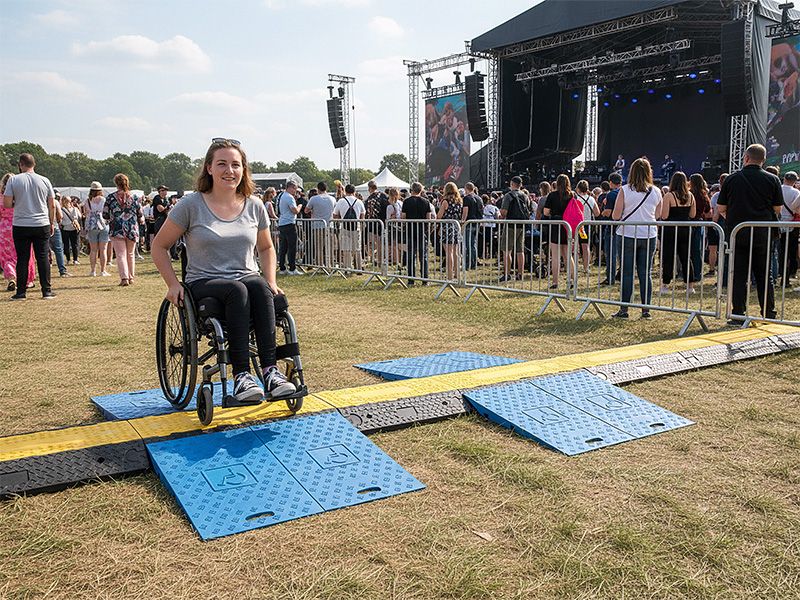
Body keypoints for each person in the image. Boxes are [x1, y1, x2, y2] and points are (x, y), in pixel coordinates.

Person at [152, 138, 297, 404]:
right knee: (237, 288)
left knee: (258, 286)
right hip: (204, 281)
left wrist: (272, 281)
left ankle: (270, 371)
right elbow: (159, 246)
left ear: (243, 170)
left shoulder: (254, 205)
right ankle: (242, 375)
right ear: (209, 168)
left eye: (235, 164)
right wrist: (172, 284)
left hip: (246, 277)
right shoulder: (190, 205)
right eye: (222, 164)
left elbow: (266, 248)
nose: (229, 170)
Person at [718, 144, 784, 322]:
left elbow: (721, 207)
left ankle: (738, 314)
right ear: (763, 160)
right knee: (764, 274)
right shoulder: (773, 179)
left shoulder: (731, 179)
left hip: (738, 233)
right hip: (764, 234)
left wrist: (733, 217)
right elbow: (777, 208)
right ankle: (769, 313)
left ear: (745, 158)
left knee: (738, 274)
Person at [611, 158, 663, 319]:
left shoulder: (625, 190)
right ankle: (645, 310)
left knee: (627, 273)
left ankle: (624, 309)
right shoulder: (656, 191)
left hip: (627, 234)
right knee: (645, 273)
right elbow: (658, 215)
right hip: (648, 234)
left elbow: (616, 215)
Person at [2, 153, 57, 300]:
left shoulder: (14, 180)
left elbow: (7, 204)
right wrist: (51, 222)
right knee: (43, 257)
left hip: (21, 223)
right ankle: (46, 290)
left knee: (22, 258)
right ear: (34, 164)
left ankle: (21, 292)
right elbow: (51, 205)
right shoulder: (45, 180)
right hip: (41, 223)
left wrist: (18, 202)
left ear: (21, 164)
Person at [660, 172, 696, 294]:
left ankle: (665, 285)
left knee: (668, 257)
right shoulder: (690, 196)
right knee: (686, 257)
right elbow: (693, 214)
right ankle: (690, 286)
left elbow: (664, 216)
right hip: (685, 228)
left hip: (671, 229)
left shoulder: (669, 196)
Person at [104, 173, 144, 286]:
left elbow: (105, 214)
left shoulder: (111, 198)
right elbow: (140, 213)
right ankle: (131, 277)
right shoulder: (134, 197)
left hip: (117, 228)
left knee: (121, 254)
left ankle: (124, 278)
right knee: (130, 254)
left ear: (116, 183)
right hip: (131, 228)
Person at [0, 172, 35, 292]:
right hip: (20, 224)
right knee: (23, 254)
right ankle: (27, 280)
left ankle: (11, 276)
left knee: (6, 256)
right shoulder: (21, 196)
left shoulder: (1, 197)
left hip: (4, 228)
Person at [542, 174, 575, 289]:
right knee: (568, 255)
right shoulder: (572, 195)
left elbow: (546, 212)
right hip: (567, 225)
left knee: (555, 255)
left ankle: (555, 282)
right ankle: (571, 280)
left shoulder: (552, 195)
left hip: (555, 224)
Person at [401, 182, 434, 283]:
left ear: (412, 190)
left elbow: (403, 217)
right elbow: (428, 218)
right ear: (421, 190)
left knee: (411, 254)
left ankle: (411, 279)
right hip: (422, 231)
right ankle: (425, 279)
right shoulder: (426, 201)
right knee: (423, 255)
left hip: (410, 230)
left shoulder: (406, 202)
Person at [499, 176, 530, 282]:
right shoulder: (525, 196)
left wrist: (499, 215)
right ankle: (520, 274)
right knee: (520, 250)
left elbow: (504, 213)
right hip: (522, 224)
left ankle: (507, 274)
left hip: (511, 224)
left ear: (512, 184)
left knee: (507, 250)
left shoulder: (508, 196)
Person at [436, 182, 467, 281]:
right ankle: (457, 274)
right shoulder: (459, 201)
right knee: (456, 252)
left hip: (447, 227)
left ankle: (449, 275)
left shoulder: (445, 201)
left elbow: (439, 216)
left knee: (449, 253)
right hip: (456, 227)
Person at [332, 183, 365, 271]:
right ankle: (358, 267)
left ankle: (348, 267)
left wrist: (341, 218)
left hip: (344, 226)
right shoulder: (359, 201)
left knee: (346, 248)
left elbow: (335, 215)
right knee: (357, 248)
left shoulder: (341, 201)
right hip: (356, 227)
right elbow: (362, 215)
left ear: (345, 191)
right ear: (354, 191)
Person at [304, 181, 335, 267]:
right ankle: (330, 264)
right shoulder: (332, 198)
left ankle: (320, 265)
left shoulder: (313, 199)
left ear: (318, 189)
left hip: (317, 225)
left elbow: (306, 210)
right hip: (330, 225)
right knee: (330, 246)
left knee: (319, 247)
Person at [599, 173, 622, 285]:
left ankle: (610, 277)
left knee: (611, 254)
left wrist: (602, 212)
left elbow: (608, 213)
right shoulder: (625, 192)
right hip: (624, 227)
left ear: (611, 182)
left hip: (612, 227)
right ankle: (621, 275)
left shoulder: (612, 194)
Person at [84, 181, 111, 277]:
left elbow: (86, 213)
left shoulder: (87, 201)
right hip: (103, 224)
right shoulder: (103, 200)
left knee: (93, 250)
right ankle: (103, 271)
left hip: (92, 225)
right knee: (103, 249)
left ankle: (93, 271)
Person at [688, 173, 712, 283]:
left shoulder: (689, 195)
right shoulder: (704, 195)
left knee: (688, 250)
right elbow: (708, 212)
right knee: (698, 251)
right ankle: (698, 273)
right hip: (700, 224)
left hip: (689, 224)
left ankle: (689, 273)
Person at [574, 179, 601, 273]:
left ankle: (575, 267)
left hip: (576, 225)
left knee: (575, 246)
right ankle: (586, 267)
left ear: (578, 188)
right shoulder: (591, 199)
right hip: (587, 226)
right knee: (586, 247)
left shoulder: (575, 199)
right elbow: (597, 213)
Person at [778, 171, 800, 282]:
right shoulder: (796, 192)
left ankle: (781, 273)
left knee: (780, 251)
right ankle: (790, 273)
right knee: (791, 251)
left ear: (784, 178)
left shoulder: (778, 189)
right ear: (795, 181)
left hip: (778, 223)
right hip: (792, 224)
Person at [276, 181, 301, 275]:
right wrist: (299, 206)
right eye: (295, 188)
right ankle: (292, 268)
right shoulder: (289, 197)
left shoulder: (283, 195)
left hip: (282, 223)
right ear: (291, 187)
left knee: (283, 247)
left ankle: (282, 268)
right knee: (292, 247)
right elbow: (294, 211)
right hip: (289, 223)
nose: (296, 191)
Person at [707, 173, 728, 276]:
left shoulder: (717, 196)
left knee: (719, 250)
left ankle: (721, 274)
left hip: (720, 224)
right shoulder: (736, 193)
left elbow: (716, 211)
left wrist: (713, 224)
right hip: (731, 223)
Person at [365, 181, 388, 267]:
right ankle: (379, 261)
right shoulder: (383, 196)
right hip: (381, 223)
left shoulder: (369, 199)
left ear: (369, 188)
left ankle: (374, 260)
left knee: (372, 243)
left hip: (371, 224)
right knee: (380, 244)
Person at [462, 182, 482, 270]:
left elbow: (465, 211)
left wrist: (463, 221)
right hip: (477, 222)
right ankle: (474, 262)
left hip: (469, 222)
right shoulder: (479, 198)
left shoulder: (466, 198)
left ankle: (469, 263)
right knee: (473, 244)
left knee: (468, 244)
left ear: (466, 189)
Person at [49, 193, 69, 278]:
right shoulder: (55, 202)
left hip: (41, 226)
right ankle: (62, 271)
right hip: (54, 226)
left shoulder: (39, 200)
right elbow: (60, 216)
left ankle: (45, 271)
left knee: (44, 250)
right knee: (58, 249)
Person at [60, 195, 81, 266]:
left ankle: (68, 259)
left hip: (65, 229)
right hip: (74, 228)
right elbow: (79, 217)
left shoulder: (61, 209)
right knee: (75, 244)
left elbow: (60, 219)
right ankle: (75, 259)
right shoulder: (74, 209)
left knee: (66, 245)